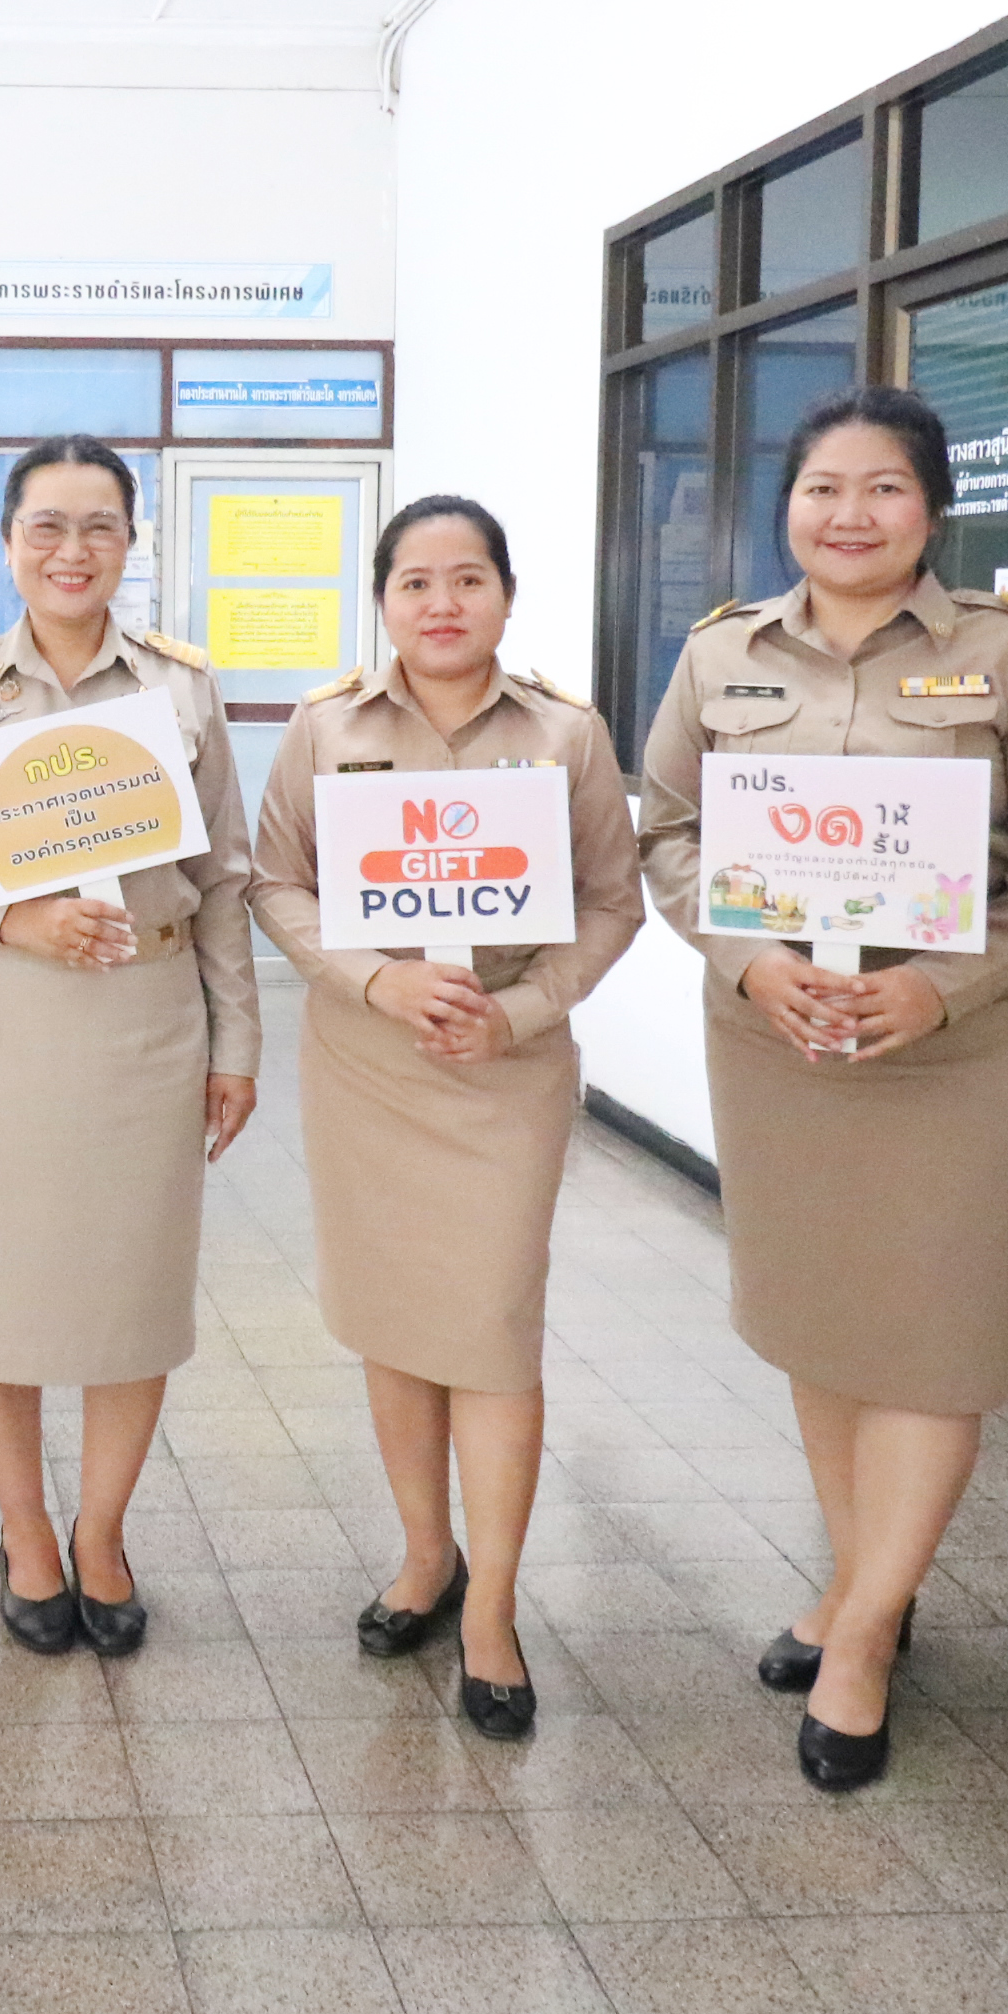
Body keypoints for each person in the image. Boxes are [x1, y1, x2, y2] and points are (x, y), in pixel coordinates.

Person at [636, 387, 1008, 1792]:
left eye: (885, 489)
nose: (850, 514)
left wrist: (939, 986)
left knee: (935, 1334)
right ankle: (870, 1586)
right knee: (827, 1321)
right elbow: (669, 828)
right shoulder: (723, 652)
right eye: (824, 488)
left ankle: (858, 1641)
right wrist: (746, 961)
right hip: (783, 1041)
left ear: (933, 508)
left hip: (953, 1047)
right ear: (786, 506)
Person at [251, 497, 641, 1739]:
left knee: (488, 1326)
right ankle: (427, 1557)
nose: (440, 603)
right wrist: (376, 977)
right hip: (370, 1063)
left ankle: (494, 1610)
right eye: (414, 582)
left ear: (507, 596)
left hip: (505, 1077)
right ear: (384, 602)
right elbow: (275, 884)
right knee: (391, 1320)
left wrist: (520, 1016)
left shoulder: (567, 734)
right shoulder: (324, 727)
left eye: (466, 579)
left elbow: (612, 905)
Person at [0, 437, 258, 1658]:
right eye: (46, 525)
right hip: (3, 1028)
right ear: (8, 541)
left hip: (144, 1023)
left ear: (132, 544)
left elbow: (225, 877)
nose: (72, 550)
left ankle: (102, 1531)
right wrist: (6, 914)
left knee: (128, 1292)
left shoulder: (183, 689)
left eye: (98, 527)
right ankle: (26, 1532)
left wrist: (236, 1039)